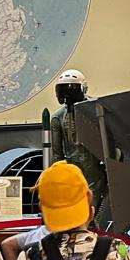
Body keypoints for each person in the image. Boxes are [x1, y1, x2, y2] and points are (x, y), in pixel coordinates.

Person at [50, 69, 109, 229]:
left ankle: (92, 228)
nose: (68, 94)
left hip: (95, 169)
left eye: (72, 89)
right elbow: (57, 153)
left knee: (94, 207)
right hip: (73, 171)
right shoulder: (57, 117)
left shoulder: (97, 111)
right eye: (64, 90)